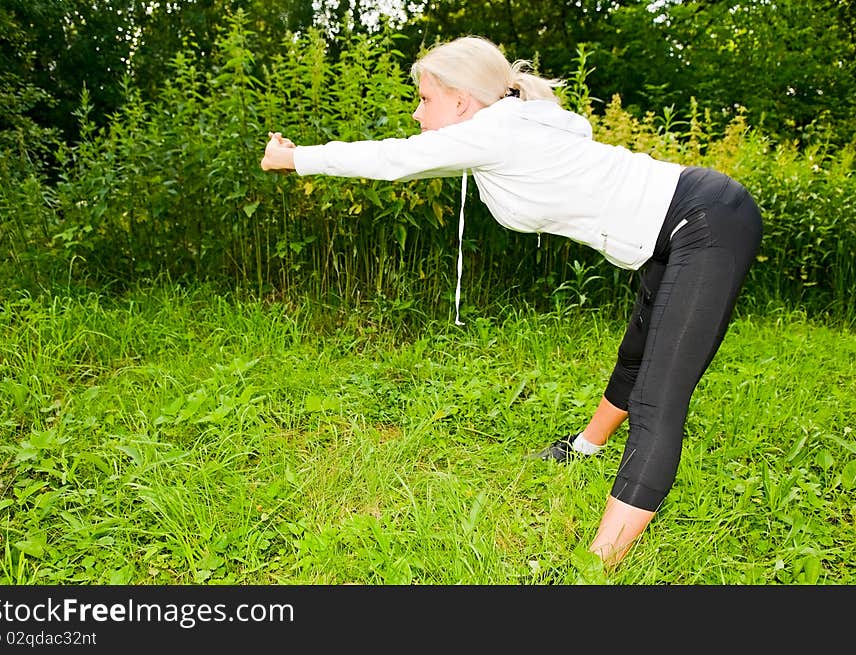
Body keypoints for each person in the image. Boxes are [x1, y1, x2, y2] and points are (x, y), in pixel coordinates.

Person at [259, 36, 763, 566]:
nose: (416, 110)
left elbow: (395, 159)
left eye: (425, 99)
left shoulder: (496, 129)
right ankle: (584, 448)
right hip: (677, 227)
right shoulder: (511, 123)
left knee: (658, 399)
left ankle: (598, 565)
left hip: (707, 223)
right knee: (637, 353)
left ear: (459, 100)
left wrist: (294, 159)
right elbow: (426, 156)